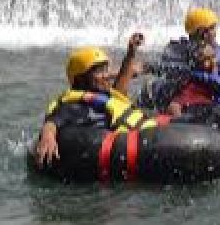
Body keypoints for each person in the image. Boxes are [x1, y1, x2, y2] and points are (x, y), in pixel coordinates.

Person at [33, 33, 148, 168]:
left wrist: (131, 52)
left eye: (106, 70)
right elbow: (53, 121)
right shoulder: (75, 104)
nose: (106, 75)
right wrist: (47, 137)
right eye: (99, 72)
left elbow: (120, 86)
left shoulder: (106, 95)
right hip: (105, 148)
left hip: (140, 133)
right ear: (81, 79)